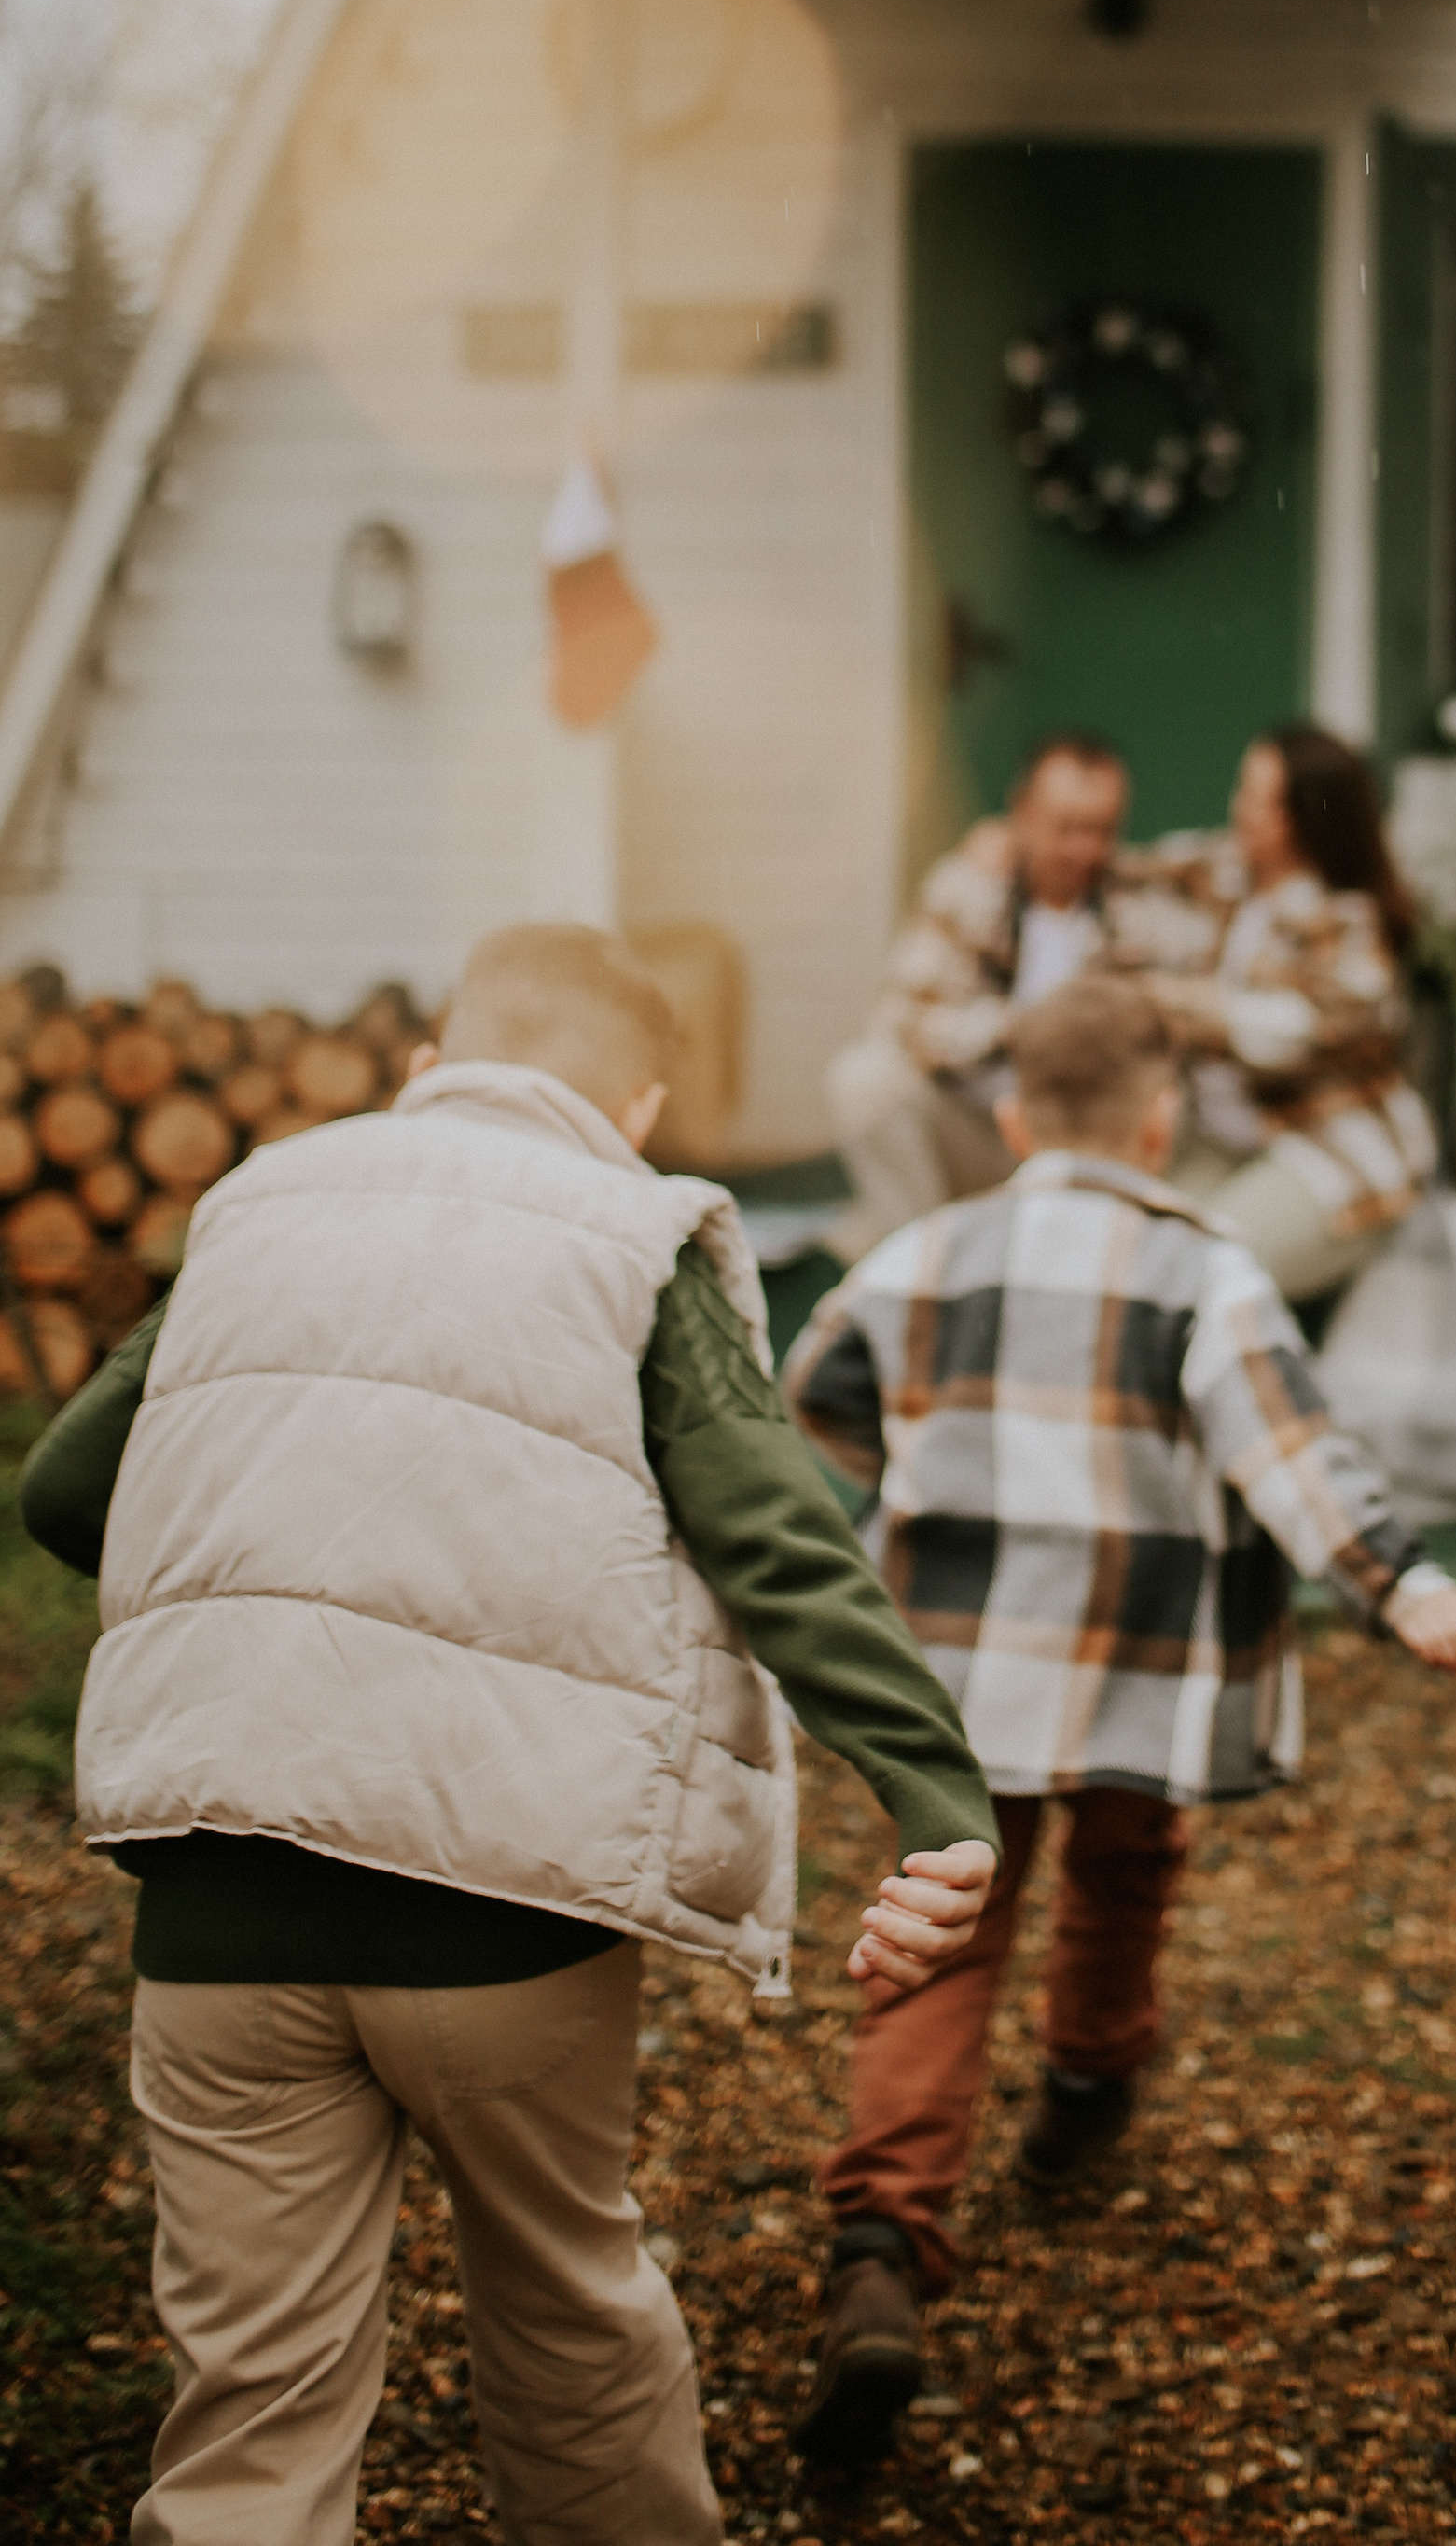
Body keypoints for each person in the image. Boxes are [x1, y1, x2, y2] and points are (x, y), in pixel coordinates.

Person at [20, 922, 1001, 2546]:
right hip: (499, 1918)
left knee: (249, 2401)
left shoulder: (261, 1202)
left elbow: (68, 1490)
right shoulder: (629, 1234)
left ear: (423, 1069)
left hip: (216, 1905)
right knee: (566, 2319)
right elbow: (783, 1545)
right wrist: (934, 1796)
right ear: (640, 1105)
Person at [782, 970, 1456, 2460]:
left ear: (1011, 1114)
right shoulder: (1210, 1273)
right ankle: (1091, 2079)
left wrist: (916, 1456)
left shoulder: (920, 1256)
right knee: (1125, 1869)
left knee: (944, 1934)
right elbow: (1286, 1447)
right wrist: (1397, 1578)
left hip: (957, 1683)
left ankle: (880, 2247)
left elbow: (816, 1393)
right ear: (1165, 1123)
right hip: (1135, 1672)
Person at [824, 730, 1210, 1257]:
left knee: (1175, 1103)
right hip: (984, 1130)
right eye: (1068, 828)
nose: (1085, 849)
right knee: (864, 1080)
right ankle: (923, 1266)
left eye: (1103, 830)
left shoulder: (1141, 906)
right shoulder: (967, 887)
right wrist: (1019, 1026)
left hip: (1091, 1139)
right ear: (1022, 815)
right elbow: (903, 1020)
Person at [1148, 720, 1442, 1302]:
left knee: (1208, 1270)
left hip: (1329, 1151)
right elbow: (1125, 866)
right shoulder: (1225, 875)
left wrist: (1190, 1006)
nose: (1238, 808)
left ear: (1302, 817)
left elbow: (1302, 1029)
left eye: (1256, 798)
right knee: (1137, 1250)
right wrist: (1011, 843)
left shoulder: (1350, 922)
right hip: (1222, 1137)